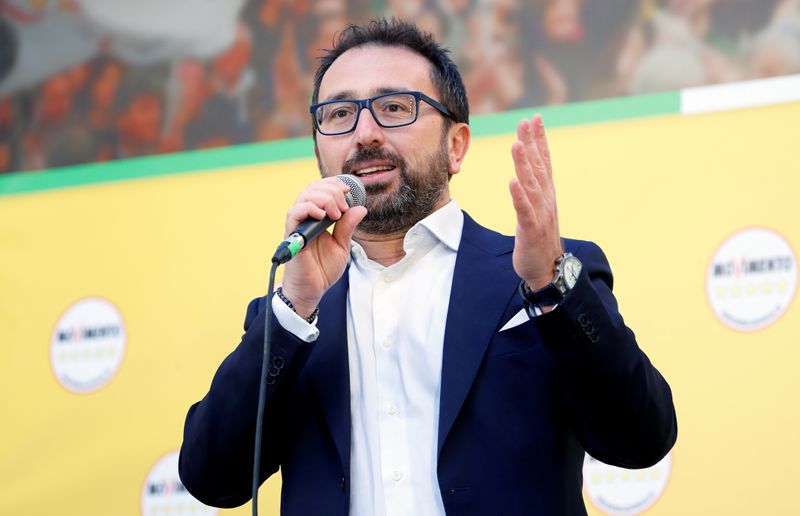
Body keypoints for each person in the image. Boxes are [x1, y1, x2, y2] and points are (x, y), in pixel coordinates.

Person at [178, 18, 677, 516]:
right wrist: (295, 308)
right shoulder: (289, 316)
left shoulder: (540, 276)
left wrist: (550, 284)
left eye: (394, 107)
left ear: (455, 145)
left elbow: (639, 440)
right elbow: (211, 478)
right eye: (338, 114)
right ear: (318, 147)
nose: (364, 134)